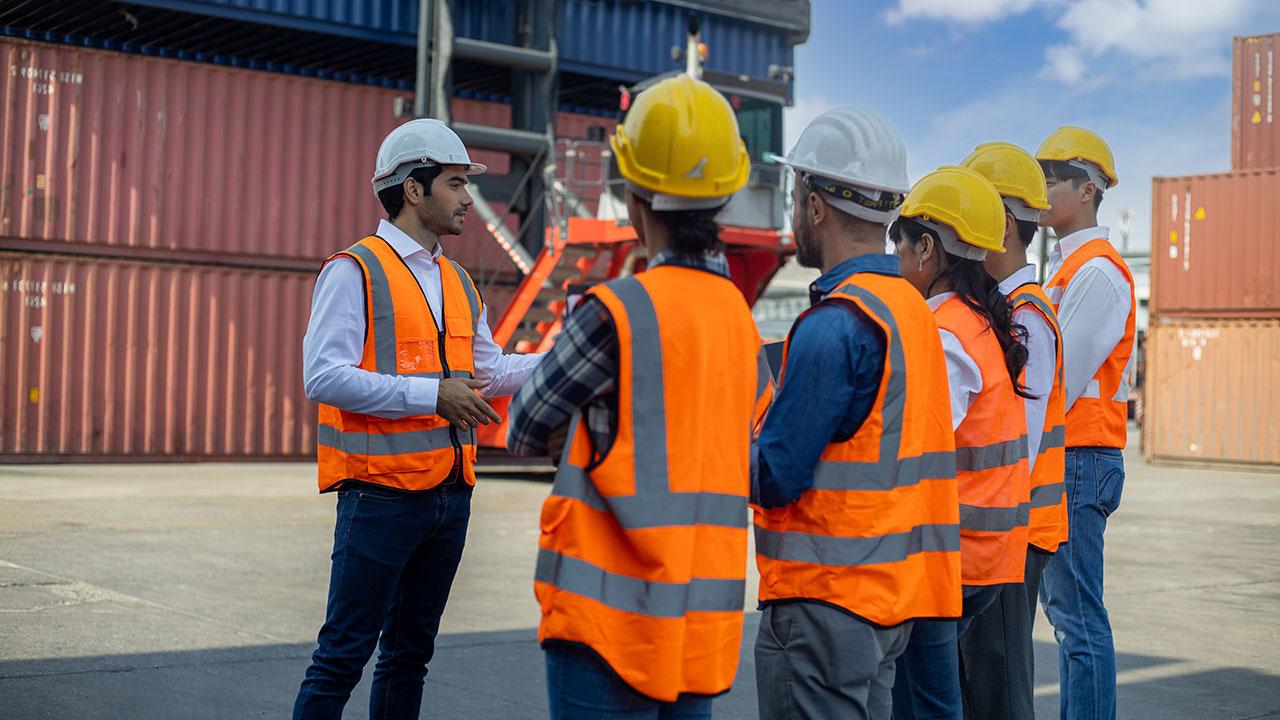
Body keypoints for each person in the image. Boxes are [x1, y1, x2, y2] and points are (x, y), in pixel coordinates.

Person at [505, 74, 772, 719]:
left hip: (607, 629)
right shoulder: (739, 319)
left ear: (633, 198)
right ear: (725, 198)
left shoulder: (616, 311)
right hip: (700, 627)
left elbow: (524, 426)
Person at [293, 118, 544, 720]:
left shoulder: (457, 280)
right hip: (379, 496)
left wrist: (578, 352)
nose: (467, 199)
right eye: (456, 184)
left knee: (409, 657)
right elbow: (321, 376)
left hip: (449, 496)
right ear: (413, 189)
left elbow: (490, 371)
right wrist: (431, 397)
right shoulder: (353, 270)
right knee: (342, 655)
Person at [751, 106, 959, 720]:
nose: (793, 216)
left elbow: (773, 476)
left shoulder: (835, 324)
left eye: (795, 198)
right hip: (887, 602)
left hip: (824, 605)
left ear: (816, 206)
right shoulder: (912, 310)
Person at [890, 166, 1033, 720]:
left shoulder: (946, 332)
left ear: (927, 249)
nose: (895, 262)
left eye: (898, 247)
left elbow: (917, 438)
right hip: (985, 555)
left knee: (924, 705)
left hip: (954, 556)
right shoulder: (979, 320)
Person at [957, 142, 1068, 719]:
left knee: (999, 690)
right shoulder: (1001, 306)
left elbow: (1014, 447)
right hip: (999, 531)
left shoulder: (1026, 315)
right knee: (977, 685)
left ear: (999, 222)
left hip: (1013, 534)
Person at [1036, 126, 1133, 720]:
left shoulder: (1096, 272)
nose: (1041, 189)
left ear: (1089, 189)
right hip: (1072, 459)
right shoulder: (1068, 270)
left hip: (1080, 458)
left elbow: (1059, 380)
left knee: (1078, 621)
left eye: (1052, 180)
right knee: (1070, 621)